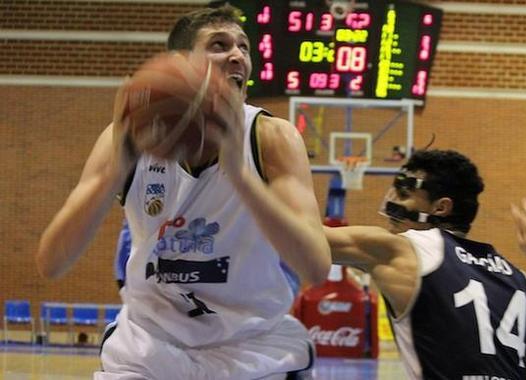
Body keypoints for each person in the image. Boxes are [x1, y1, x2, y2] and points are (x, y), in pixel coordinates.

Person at [35, 4, 331, 379]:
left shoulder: (272, 138)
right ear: (179, 65)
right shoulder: (124, 137)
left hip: (253, 347)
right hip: (150, 347)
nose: (238, 55)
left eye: (244, 46)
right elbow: (51, 263)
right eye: (219, 45)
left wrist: (240, 176)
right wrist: (116, 171)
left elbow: (316, 267)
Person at [324, 149, 526, 380]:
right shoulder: (516, 278)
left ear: (440, 208)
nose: (393, 203)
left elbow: (300, 234)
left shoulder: (403, 249)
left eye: (404, 194)